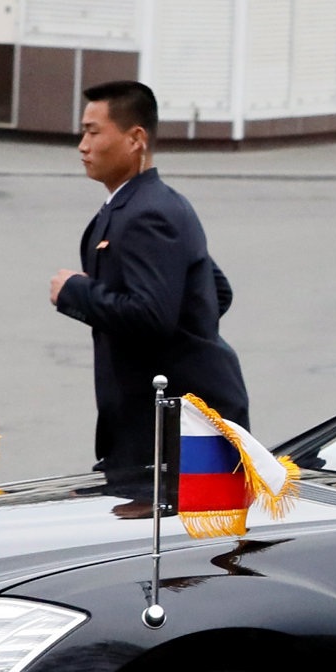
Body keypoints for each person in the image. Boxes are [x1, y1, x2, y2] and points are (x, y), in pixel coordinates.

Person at [47, 80, 249, 501]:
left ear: (135, 138)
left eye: (93, 132)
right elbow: (214, 291)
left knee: (182, 540)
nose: (83, 145)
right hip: (153, 424)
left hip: (177, 430)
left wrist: (75, 292)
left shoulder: (148, 213)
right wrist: (190, 336)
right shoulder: (138, 204)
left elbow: (152, 314)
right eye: (82, 132)